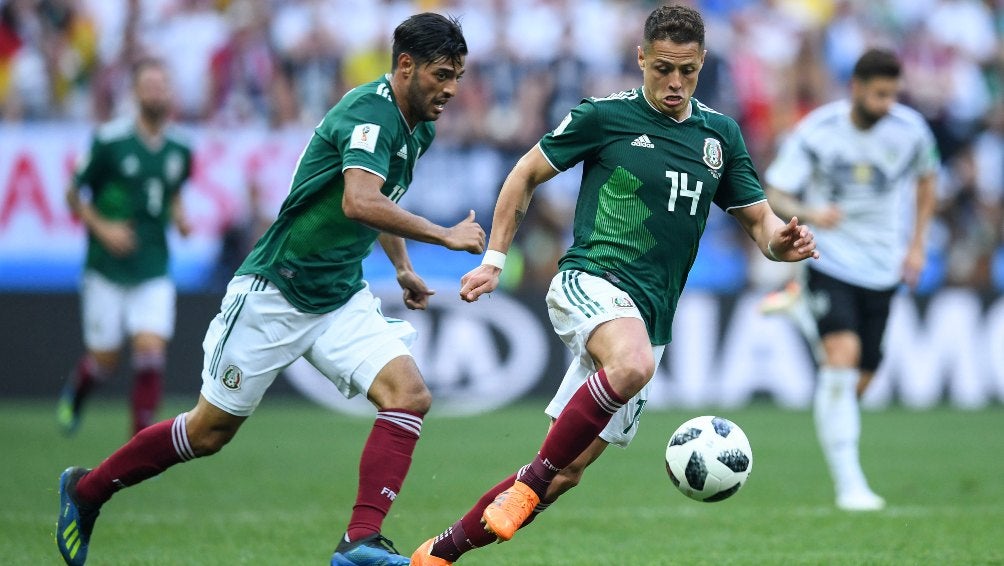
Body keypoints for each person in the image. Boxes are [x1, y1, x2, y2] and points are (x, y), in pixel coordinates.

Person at [56, 13, 484, 566]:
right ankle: (86, 490)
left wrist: (401, 266)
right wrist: (443, 235)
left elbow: (379, 204)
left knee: (409, 396)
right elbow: (359, 200)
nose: (452, 88)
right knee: (209, 432)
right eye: (443, 74)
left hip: (337, 295)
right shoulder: (369, 113)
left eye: (458, 75)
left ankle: (359, 543)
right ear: (405, 66)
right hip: (274, 292)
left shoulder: (418, 124)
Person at [410, 5, 819, 564]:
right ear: (642, 57)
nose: (675, 83)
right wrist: (495, 259)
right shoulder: (604, 117)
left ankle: (437, 553)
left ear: (702, 65)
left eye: (689, 71)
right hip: (592, 281)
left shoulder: (719, 136)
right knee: (628, 369)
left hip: (651, 317)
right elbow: (524, 173)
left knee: (566, 472)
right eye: (664, 69)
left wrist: (783, 242)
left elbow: (760, 223)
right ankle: (529, 484)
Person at [760, 47, 939, 511]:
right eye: (878, 94)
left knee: (858, 382)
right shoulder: (817, 131)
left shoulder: (911, 131)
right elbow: (775, 189)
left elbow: (927, 179)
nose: (886, 104)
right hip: (829, 258)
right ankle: (850, 486)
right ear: (856, 87)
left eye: (892, 95)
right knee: (842, 359)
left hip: (883, 266)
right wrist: (813, 212)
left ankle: (801, 315)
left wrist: (917, 244)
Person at [58, 57, 192, 438]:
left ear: (170, 93)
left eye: (161, 85)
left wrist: (180, 217)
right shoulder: (110, 140)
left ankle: (141, 441)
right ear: (135, 92)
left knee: (151, 350)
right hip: (107, 266)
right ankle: (77, 392)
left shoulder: (180, 147)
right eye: (148, 85)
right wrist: (104, 228)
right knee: (104, 359)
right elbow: (72, 193)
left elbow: (173, 191)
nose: (155, 92)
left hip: (153, 263)